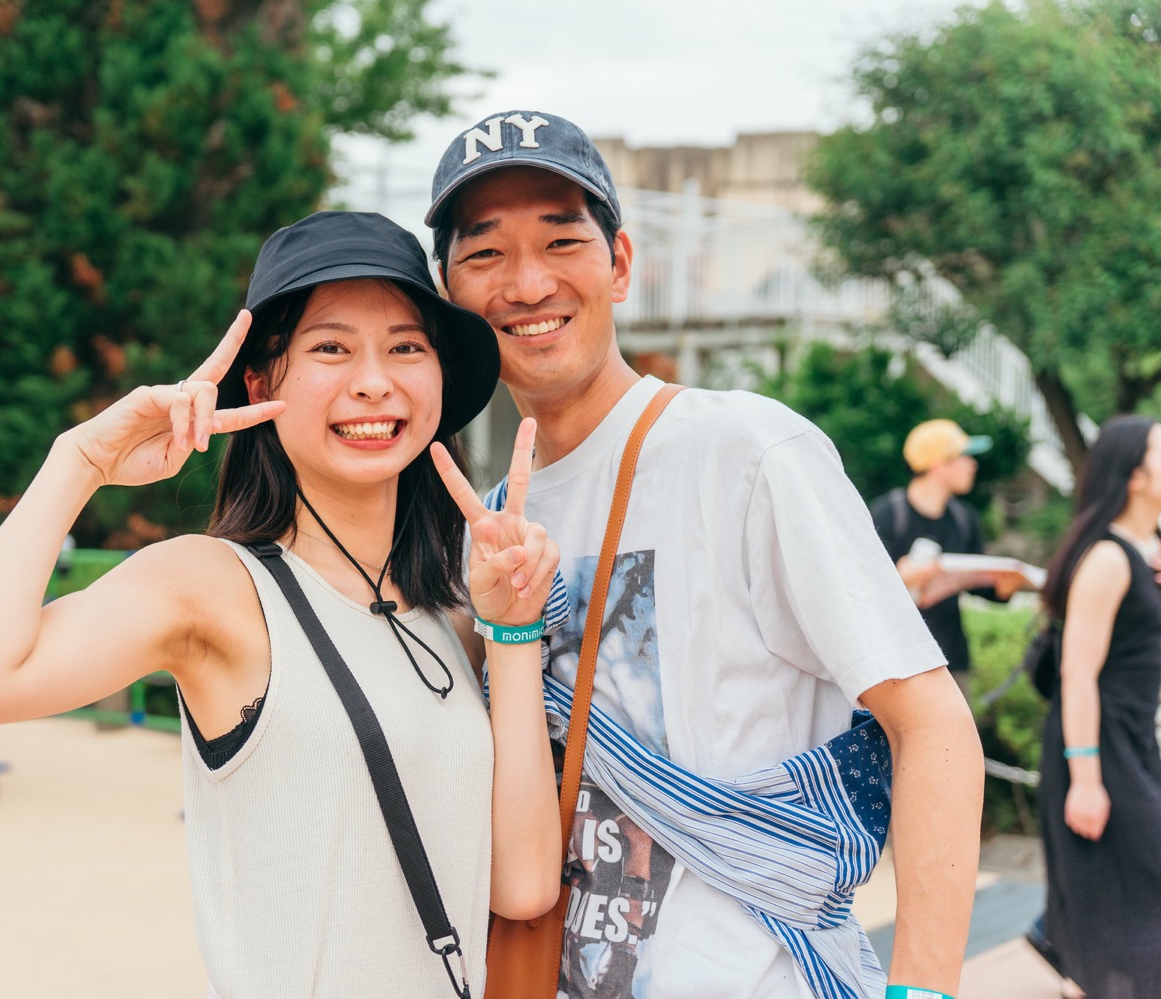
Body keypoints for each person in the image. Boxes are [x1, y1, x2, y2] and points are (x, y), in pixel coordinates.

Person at [0, 211, 563, 998]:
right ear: (260, 383)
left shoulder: (449, 618)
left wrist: (513, 626)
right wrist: (80, 459)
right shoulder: (213, 586)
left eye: (405, 347)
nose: (374, 381)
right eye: (331, 348)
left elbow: (523, 884)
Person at [427, 110, 983, 999]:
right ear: (447, 291)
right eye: (485, 253)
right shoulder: (486, 525)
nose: (527, 283)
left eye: (562, 240)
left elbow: (931, 722)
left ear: (620, 264)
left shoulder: (747, 451)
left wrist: (923, 989)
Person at [1034, 414, 1161, 999]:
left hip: (1134, 740)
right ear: (1135, 475)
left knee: (1127, 893)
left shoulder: (1146, 553)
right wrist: (1085, 780)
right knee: (1118, 894)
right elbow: (1077, 674)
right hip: (1097, 745)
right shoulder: (1107, 559)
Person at [869, 419, 1017, 697]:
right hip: (896, 663)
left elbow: (981, 584)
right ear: (938, 464)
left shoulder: (964, 518)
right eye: (965, 456)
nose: (972, 464)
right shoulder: (887, 515)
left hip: (950, 661)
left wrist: (1008, 585)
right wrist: (906, 576)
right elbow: (865, 587)